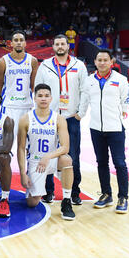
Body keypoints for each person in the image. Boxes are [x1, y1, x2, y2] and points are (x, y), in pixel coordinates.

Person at [34, 34, 88, 205]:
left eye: (62, 43)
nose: (60, 46)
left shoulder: (78, 65)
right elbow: (37, 89)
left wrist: (81, 113)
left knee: (73, 156)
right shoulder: (46, 66)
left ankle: (74, 192)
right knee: (48, 154)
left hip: (71, 117)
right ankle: (48, 191)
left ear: (68, 46)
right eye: (57, 44)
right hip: (50, 118)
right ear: (53, 46)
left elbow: (85, 91)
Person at [78, 49, 129, 213]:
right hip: (96, 129)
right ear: (95, 61)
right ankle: (106, 194)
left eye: (105, 60)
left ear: (111, 62)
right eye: (99, 60)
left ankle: (123, 197)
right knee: (101, 163)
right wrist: (79, 115)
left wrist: (121, 113)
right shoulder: (89, 80)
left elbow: (125, 99)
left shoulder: (121, 80)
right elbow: (85, 100)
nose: (102, 63)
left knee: (120, 163)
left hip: (115, 129)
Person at [17, 83, 76, 220]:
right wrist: (22, 173)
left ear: (51, 98)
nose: (43, 99)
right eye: (40, 96)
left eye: (46, 96)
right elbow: (20, 148)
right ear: (34, 98)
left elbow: (65, 147)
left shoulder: (59, 119)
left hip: (52, 159)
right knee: (32, 203)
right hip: (35, 161)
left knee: (66, 159)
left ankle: (67, 201)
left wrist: (48, 156)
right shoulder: (25, 119)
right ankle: (38, 185)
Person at [0, 30, 39, 137]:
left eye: (21, 40)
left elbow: (33, 84)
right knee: (7, 140)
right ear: (11, 43)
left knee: (27, 140)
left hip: (27, 105)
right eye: (16, 40)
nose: (19, 42)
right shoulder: (2, 61)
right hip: (9, 106)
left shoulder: (32, 60)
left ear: (25, 43)